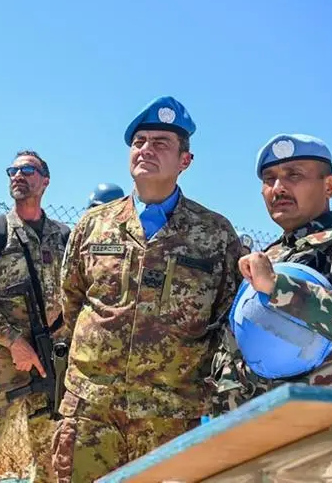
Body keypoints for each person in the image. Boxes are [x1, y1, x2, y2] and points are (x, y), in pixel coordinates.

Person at [51, 96, 242, 481]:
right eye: (139, 142)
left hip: (170, 417)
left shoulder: (215, 234)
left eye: (161, 143)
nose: (146, 150)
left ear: (185, 161)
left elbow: (227, 318)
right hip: (91, 411)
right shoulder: (94, 225)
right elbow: (71, 301)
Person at [209, 134, 332, 416]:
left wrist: (279, 289)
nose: (278, 188)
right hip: (251, 423)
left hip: (317, 425)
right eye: (269, 179)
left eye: (294, 175)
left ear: (329, 185)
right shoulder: (272, 254)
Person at [0, 151, 70, 482]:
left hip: (52, 362)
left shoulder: (64, 237)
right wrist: (14, 341)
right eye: (13, 170)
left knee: (52, 460)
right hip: (3, 362)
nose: (18, 175)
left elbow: (79, 293)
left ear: (45, 181)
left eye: (27, 170)